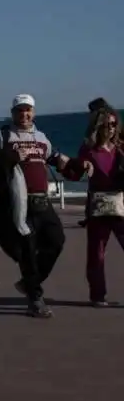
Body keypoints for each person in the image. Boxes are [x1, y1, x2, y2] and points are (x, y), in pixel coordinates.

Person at [0, 94, 72, 318]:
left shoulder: (41, 137)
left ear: (34, 112)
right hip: (17, 203)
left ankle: (30, 282)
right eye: (20, 110)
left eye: (28, 110)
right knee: (27, 252)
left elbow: (53, 157)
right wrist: (11, 156)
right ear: (13, 113)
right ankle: (35, 298)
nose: (25, 114)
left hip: (42, 200)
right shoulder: (2, 135)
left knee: (56, 241)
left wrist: (70, 162)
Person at [63, 107, 122, 306]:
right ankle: (98, 295)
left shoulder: (121, 146)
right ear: (98, 126)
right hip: (98, 205)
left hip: (122, 204)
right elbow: (76, 172)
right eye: (107, 125)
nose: (111, 129)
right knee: (96, 252)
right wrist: (81, 166)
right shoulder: (88, 148)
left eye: (114, 124)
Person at [78, 98, 114, 228]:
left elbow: (88, 141)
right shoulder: (110, 119)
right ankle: (89, 216)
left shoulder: (103, 120)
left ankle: (91, 216)